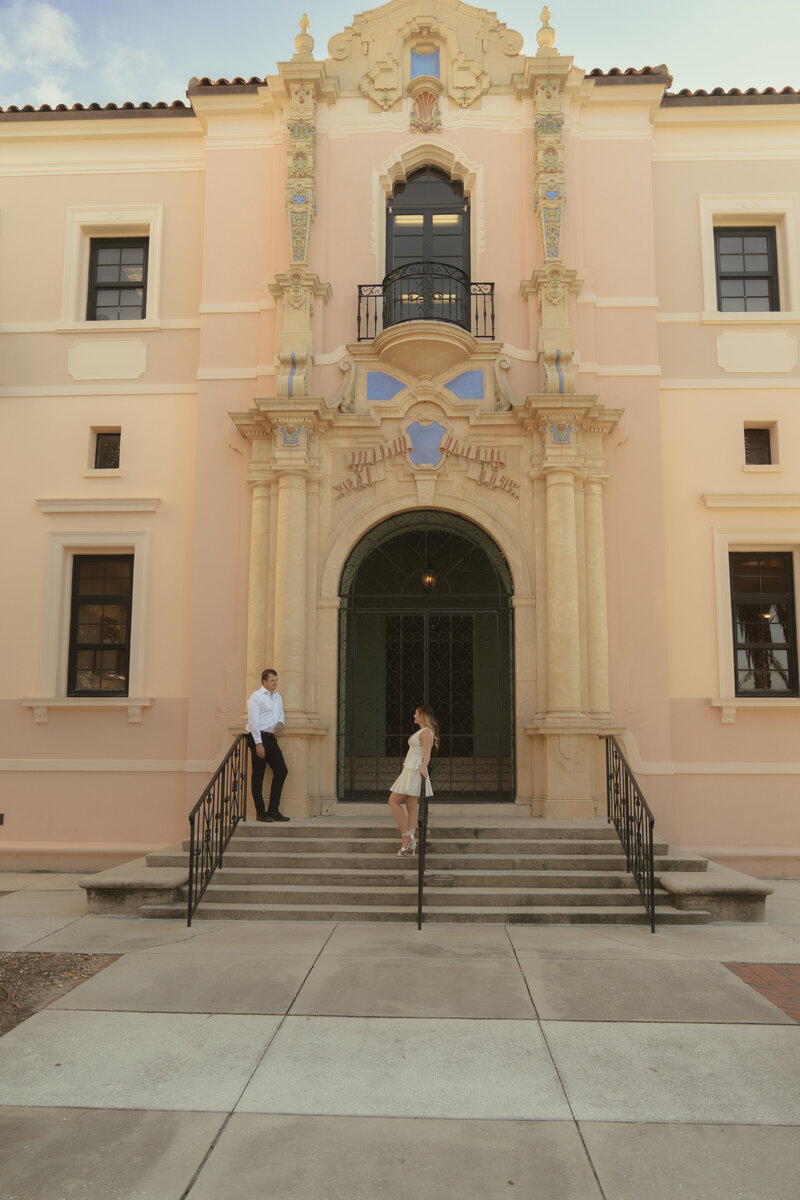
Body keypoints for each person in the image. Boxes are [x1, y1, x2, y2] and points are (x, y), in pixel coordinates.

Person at [387, 704, 439, 856]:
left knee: (393, 801)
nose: (414, 716)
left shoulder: (426, 733)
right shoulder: (423, 732)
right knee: (411, 807)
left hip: (414, 770)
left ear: (422, 715)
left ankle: (406, 837)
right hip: (410, 769)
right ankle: (410, 840)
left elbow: (427, 755)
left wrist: (423, 767)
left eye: (416, 713)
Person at [246, 668, 289, 822]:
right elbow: (253, 721)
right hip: (259, 738)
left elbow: (281, 713)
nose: (275, 683)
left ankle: (273, 810)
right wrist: (258, 743)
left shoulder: (277, 697)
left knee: (282, 771)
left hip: (271, 739)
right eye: (272, 680)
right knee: (258, 776)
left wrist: (280, 723)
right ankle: (260, 813)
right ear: (264, 681)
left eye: (276, 680)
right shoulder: (256, 697)